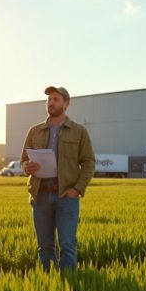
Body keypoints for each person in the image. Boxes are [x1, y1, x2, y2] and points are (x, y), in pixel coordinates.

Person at [21, 86, 95, 271]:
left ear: (66, 104)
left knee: (67, 245)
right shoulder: (34, 131)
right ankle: (48, 283)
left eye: (56, 99)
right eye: (49, 99)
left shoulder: (79, 131)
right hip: (40, 195)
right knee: (44, 247)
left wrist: (76, 189)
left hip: (66, 197)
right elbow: (23, 160)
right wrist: (26, 167)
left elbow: (88, 163)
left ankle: (68, 284)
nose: (51, 103)